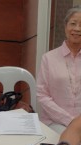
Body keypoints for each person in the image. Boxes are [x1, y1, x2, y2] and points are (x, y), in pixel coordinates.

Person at [37, 5, 81, 134]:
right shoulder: (48, 58)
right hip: (55, 122)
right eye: (73, 23)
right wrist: (69, 120)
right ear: (65, 26)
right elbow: (42, 95)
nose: (77, 29)